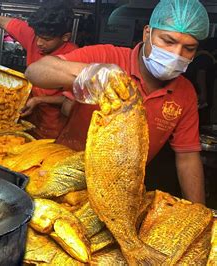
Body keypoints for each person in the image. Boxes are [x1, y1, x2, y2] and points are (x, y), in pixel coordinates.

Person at [25, 0, 209, 204]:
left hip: (119, 193)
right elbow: (35, 71)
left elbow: (187, 157)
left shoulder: (185, 93)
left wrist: (199, 210)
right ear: (147, 33)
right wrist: (88, 73)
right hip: (61, 177)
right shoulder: (107, 56)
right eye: (168, 41)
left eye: (189, 48)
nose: (176, 55)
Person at [0, 0, 78, 139]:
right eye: (37, 35)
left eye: (46, 39)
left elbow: (70, 100)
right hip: (27, 119)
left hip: (54, 129)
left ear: (65, 37)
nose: (38, 42)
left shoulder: (75, 57)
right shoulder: (34, 36)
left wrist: (39, 100)